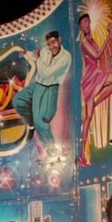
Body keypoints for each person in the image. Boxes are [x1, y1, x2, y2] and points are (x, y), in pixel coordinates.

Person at [12, 30, 72, 160]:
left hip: (50, 88)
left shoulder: (66, 57)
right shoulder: (46, 50)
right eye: (49, 44)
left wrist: (38, 58)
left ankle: (52, 151)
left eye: (54, 42)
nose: (51, 46)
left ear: (59, 40)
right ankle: (31, 124)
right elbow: (36, 55)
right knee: (18, 100)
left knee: (42, 121)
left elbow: (46, 73)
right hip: (38, 85)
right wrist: (27, 54)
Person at [78, 13, 112, 167]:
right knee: (88, 117)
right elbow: (96, 55)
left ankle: (82, 154)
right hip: (90, 78)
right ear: (80, 28)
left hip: (95, 74)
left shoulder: (90, 39)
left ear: (89, 22)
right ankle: (82, 153)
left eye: (86, 22)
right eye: (82, 24)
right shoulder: (84, 41)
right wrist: (109, 35)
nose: (85, 25)